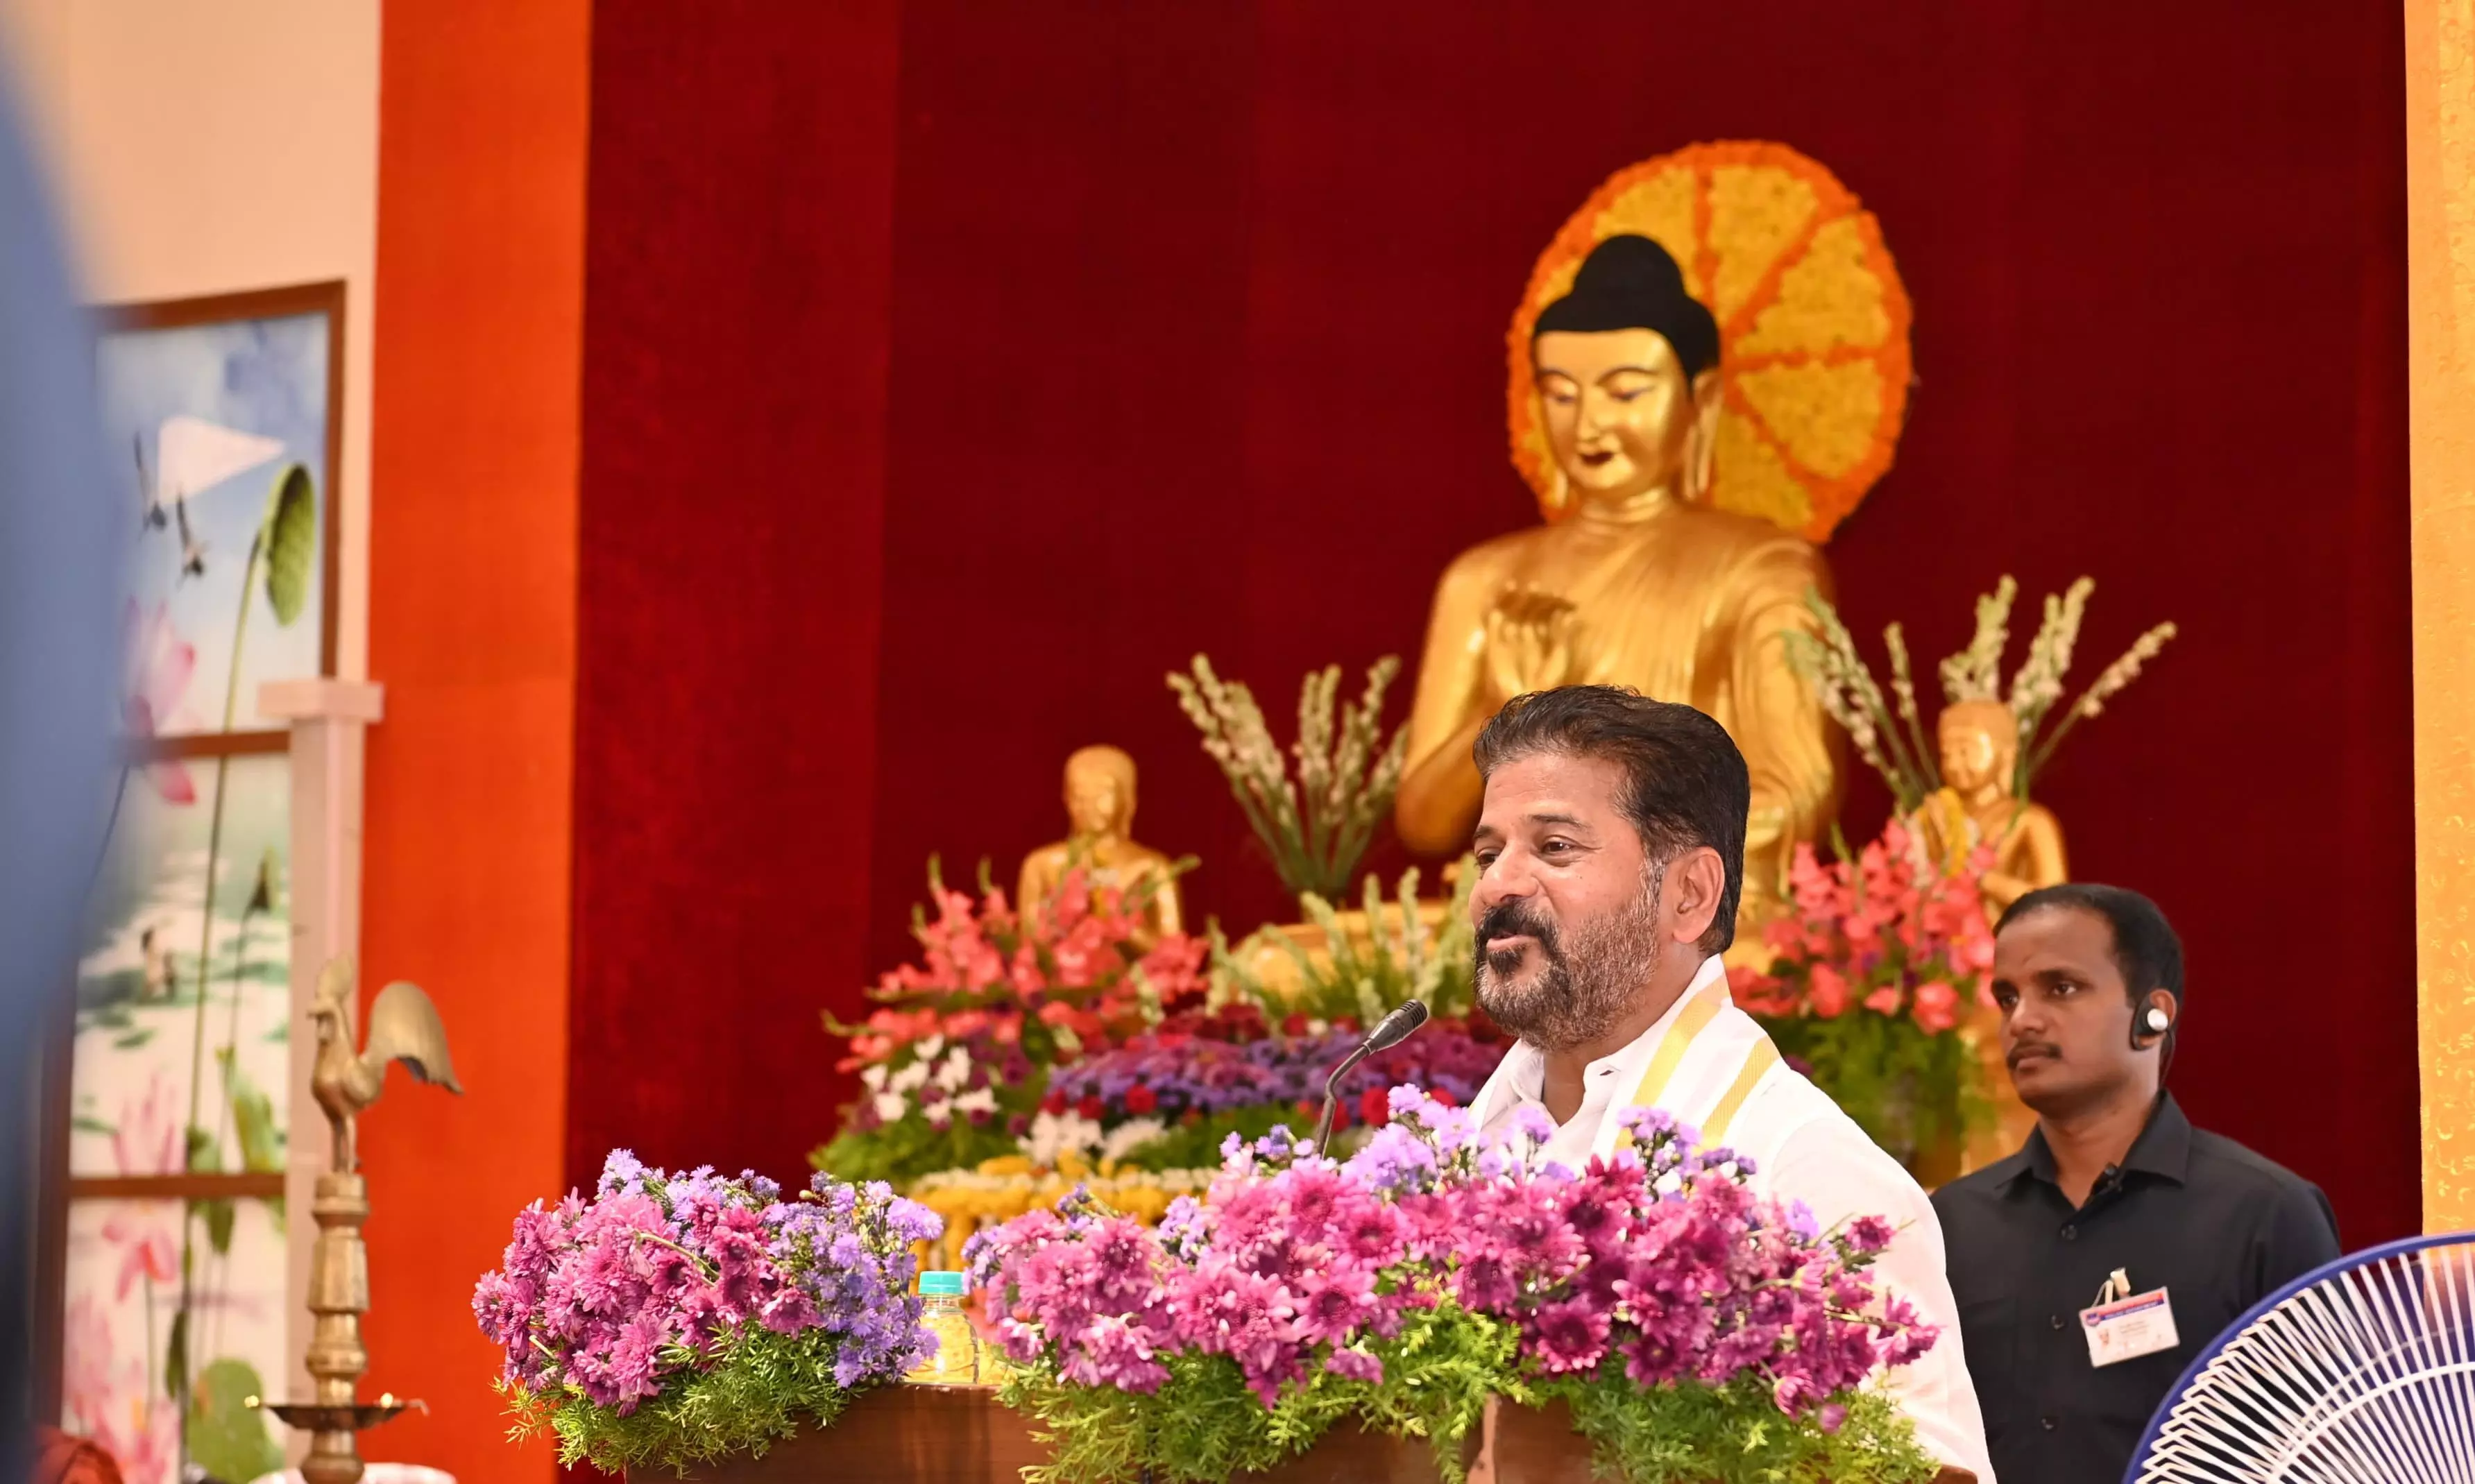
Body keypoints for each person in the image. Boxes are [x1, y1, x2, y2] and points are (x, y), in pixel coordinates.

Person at [1463, 685, 1993, 1482]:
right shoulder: (1462, 1155)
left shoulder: (1810, 1178)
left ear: (1690, 894)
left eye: (1555, 848)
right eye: (1487, 853)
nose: (1499, 885)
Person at [1931, 884, 2339, 1484]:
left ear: (2153, 1016)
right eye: (2006, 997)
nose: (2022, 1019)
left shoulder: (2265, 1213)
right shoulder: (1952, 1221)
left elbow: (2326, 1448)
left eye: (2060, 987)